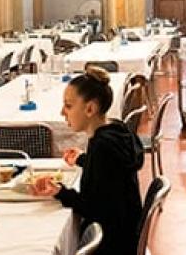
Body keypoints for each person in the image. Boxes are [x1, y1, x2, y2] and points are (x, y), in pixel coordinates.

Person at [30, 66, 144, 255]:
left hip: (112, 244)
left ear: (90, 108)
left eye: (68, 106)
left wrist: (60, 191)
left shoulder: (102, 146)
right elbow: (110, 174)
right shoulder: (117, 129)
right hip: (127, 233)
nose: (62, 112)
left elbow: (94, 208)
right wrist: (83, 159)